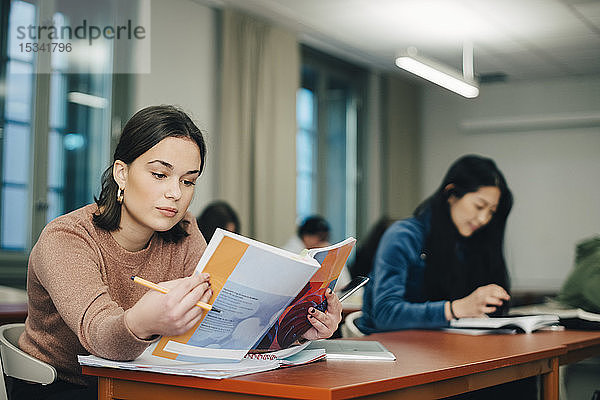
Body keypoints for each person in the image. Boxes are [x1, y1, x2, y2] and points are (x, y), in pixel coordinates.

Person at [15, 105, 342, 399]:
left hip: (148, 381)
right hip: (64, 386)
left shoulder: (183, 230)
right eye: (160, 175)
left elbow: (220, 324)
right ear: (122, 173)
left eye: (188, 182)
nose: (175, 193)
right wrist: (143, 322)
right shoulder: (67, 238)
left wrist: (294, 330)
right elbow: (99, 336)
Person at [357, 155, 513, 334]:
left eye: (491, 212)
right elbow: (385, 314)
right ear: (451, 194)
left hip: (443, 347)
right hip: (392, 349)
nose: (483, 219)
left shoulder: (470, 243)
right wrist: (455, 309)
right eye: (479, 206)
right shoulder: (404, 235)